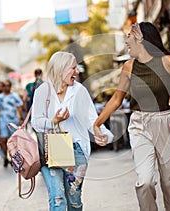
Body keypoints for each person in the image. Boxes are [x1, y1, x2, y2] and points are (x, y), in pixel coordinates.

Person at [93, 22, 170, 211]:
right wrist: (98, 124)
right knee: (145, 182)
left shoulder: (168, 61)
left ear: (142, 38)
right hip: (140, 125)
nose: (127, 40)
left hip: (168, 122)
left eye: (130, 35)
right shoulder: (128, 67)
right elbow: (116, 99)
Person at [31, 51, 113, 211]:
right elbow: (36, 122)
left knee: (74, 201)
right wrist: (54, 121)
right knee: (58, 199)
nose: (77, 72)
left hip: (77, 150)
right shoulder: (43, 91)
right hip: (51, 150)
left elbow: (91, 119)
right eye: (73, 68)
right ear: (60, 69)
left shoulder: (79, 90)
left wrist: (103, 134)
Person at [0, 80, 24, 167]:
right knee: (3, 139)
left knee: (13, 141)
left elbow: (19, 107)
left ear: (10, 86)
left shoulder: (15, 96)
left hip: (13, 121)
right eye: (5, 85)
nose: (6, 87)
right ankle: (5, 158)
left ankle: (14, 158)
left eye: (8, 85)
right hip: (3, 120)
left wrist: (21, 118)